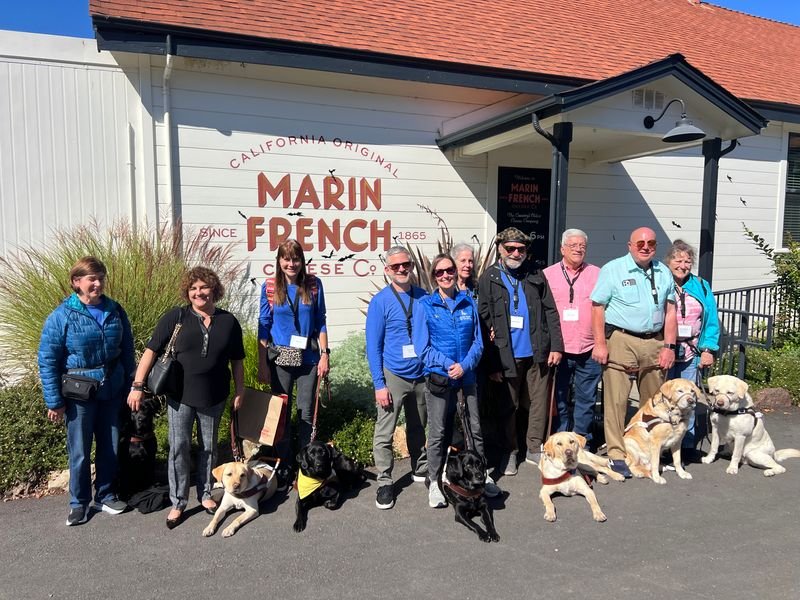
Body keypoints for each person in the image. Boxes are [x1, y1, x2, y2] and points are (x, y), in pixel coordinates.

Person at [128, 267, 245, 529]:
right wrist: (137, 385)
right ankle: (178, 501)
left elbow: (237, 360)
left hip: (214, 396)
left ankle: (205, 494)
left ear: (214, 289)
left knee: (209, 447)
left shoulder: (228, 321)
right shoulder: (176, 317)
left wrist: (240, 390)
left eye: (203, 287)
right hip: (180, 397)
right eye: (193, 288)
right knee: (179, 447)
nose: (198, 292)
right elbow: (150, 351)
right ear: (187, 292)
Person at [38, 256, 135, 526]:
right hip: (79, 393)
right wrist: (54, 401)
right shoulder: (62, 315)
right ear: (76, 282)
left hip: (111, 389)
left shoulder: (115, 310)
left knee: (110, 445)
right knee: (79, 450)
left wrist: (131, 385)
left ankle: (105, 495)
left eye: (101, 278)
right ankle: (78, 503)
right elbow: (48, 359)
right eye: (92, 279)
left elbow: (127, 350)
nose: (97, 284)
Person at [412, 253, 500, 508]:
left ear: (455, 271)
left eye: (449, 270)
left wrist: (465, 366)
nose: (446, 275)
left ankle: (481, 475)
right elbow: (422, 347)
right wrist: (449, 365)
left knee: (474, 429)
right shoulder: (425, 305)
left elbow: (478, 342)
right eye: (439, 272)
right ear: (433, 276)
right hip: (440, 378)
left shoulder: (468, 302)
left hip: (467, 376)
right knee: (438, 432)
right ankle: (435, 481)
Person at [590, 227, 677, 477]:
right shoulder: (613, 269)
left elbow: (671, 311)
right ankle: (617, 454)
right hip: (622, 338)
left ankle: (649, 451)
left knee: (654, 402)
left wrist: (669, 346)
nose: (645, 247)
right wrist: (600, 343)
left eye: (651, 243)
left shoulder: (663, 271)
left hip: (654, 340)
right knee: (616, 400)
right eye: (640, 243)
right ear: (630, 245)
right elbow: (597, 308)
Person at [477, 227, 563, 476]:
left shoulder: (536, 273)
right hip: (505, 355)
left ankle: (534, 447)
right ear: (500, 249)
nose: (516, 253)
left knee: (538, 402)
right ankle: (510, 451)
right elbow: (483, 319)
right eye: (510, 248)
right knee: (509, 406)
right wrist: (491, 363)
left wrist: (556, 346)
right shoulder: (489, 277)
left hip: (537, 351)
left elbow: (551, 311)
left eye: (520, 249)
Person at [366, 246, 429, 509]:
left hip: (421, 374)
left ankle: (420, 467)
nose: (402, 269)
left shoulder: (424, 297)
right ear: (387, 270)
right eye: (396, 266)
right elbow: (373, 347)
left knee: (419, 426)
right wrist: (379, 385)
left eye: (406, 264)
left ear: (412, 265)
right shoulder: (380, 302)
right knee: (385, 432)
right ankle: (384, 481)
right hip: (394, 376)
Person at [257, 239, 329, 463]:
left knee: (306, 411)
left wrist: (325, 354)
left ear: (302, 261)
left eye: (296, 259)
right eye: (286, 259)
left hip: (309, 358)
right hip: (280, 358)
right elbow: (264, 325)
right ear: (279, 261)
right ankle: (284, 462)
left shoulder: (313, 285)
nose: (291, 264)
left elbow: (320, 320)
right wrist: (262, 363)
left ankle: (306, 463)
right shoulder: (270, 287)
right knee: (282, 412)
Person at [543, 229, 602, 450]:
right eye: (573, 245)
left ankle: (581, 440)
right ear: (562, 249)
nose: (578, 249)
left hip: (589, 347)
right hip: (559, 348)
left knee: (586, 398)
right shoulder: (548, 274)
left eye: (582, 246)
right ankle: (560, 439)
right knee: (559, 397)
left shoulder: (597, 273)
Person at [664, 239, 720, 452]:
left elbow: (711, 320)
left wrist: (708, 349)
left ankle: (685, 445)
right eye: (678, 260)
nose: (683, 265)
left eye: (687, 261)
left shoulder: (701, 286)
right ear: (669, 261)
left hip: (691, 351)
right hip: (665, 350)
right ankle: (663, 444)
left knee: (688, 400)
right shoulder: (661, 281)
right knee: (665, 398)